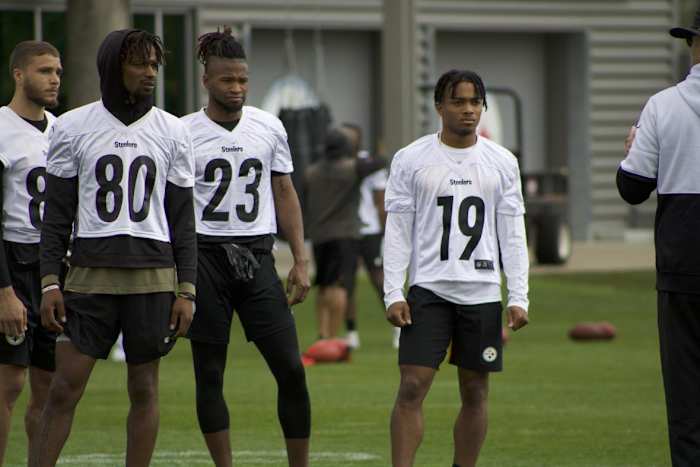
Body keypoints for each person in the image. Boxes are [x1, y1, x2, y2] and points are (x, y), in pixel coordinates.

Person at [30, 29, 196, 467]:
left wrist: (187, 289)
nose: (149, 73)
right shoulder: (72, 126)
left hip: (153, 278)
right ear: (112, 67)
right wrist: (50, 281)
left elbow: (183, 219)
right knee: (64, 387)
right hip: (89, 276)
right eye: (139, 63)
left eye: (155, 64)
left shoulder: (173, 131)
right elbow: (57, 214)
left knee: (144, 388)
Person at [383, 69, 530, 467]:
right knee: (412, 385)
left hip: (481, 292)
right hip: (428, 289)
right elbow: (397, 230)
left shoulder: (502, 162)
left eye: (474, 102)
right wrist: (393, 291)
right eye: (458, 101)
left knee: (476, 392)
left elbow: (512, 233)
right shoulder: (411, 159)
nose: (468, 110)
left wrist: (518, 296)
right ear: (439, 106)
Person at [182, 28, 311, 467]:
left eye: (242, 80)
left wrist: (299, 258)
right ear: (206, 81)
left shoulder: (268, 125)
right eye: (226, 81)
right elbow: (173, 207)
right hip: (204, 257)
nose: (236, 89)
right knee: (210, 373)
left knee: (292, 369)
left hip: (257, 255)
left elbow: (284, 191)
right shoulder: (183, 132)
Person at [617, 9, 700, 466]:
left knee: (687, 395)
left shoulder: (662, 105)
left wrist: (632, 150)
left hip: (683, 260)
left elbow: (632, 188)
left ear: (693, 44)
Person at [0, 40, 61, 466]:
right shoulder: (1, 129)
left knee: (50, 387)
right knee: (9, 383)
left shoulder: (64, 131)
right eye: (44, 71)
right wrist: (4, 290)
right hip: (14, 260)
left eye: (57, 71)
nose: (54, 78)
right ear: (19, 75)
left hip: (55, 265)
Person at [305, 128, 385, 340]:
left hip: (319, 235)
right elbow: (381, 161)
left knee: (323, 286)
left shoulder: (311, 172)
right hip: (345, 234)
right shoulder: (352, 168)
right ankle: (332, 338)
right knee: (340, 286)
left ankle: (322, 334)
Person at [339, 123, 393, 349]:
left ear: (358, 140)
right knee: (346, 283)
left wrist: (386, 234)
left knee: (379, 280)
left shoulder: (371, 164)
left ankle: (399, 327)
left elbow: (380, 202)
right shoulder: (335, 163)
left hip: (369, 230)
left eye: (351, 138)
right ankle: (351, 333)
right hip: (346, 231)